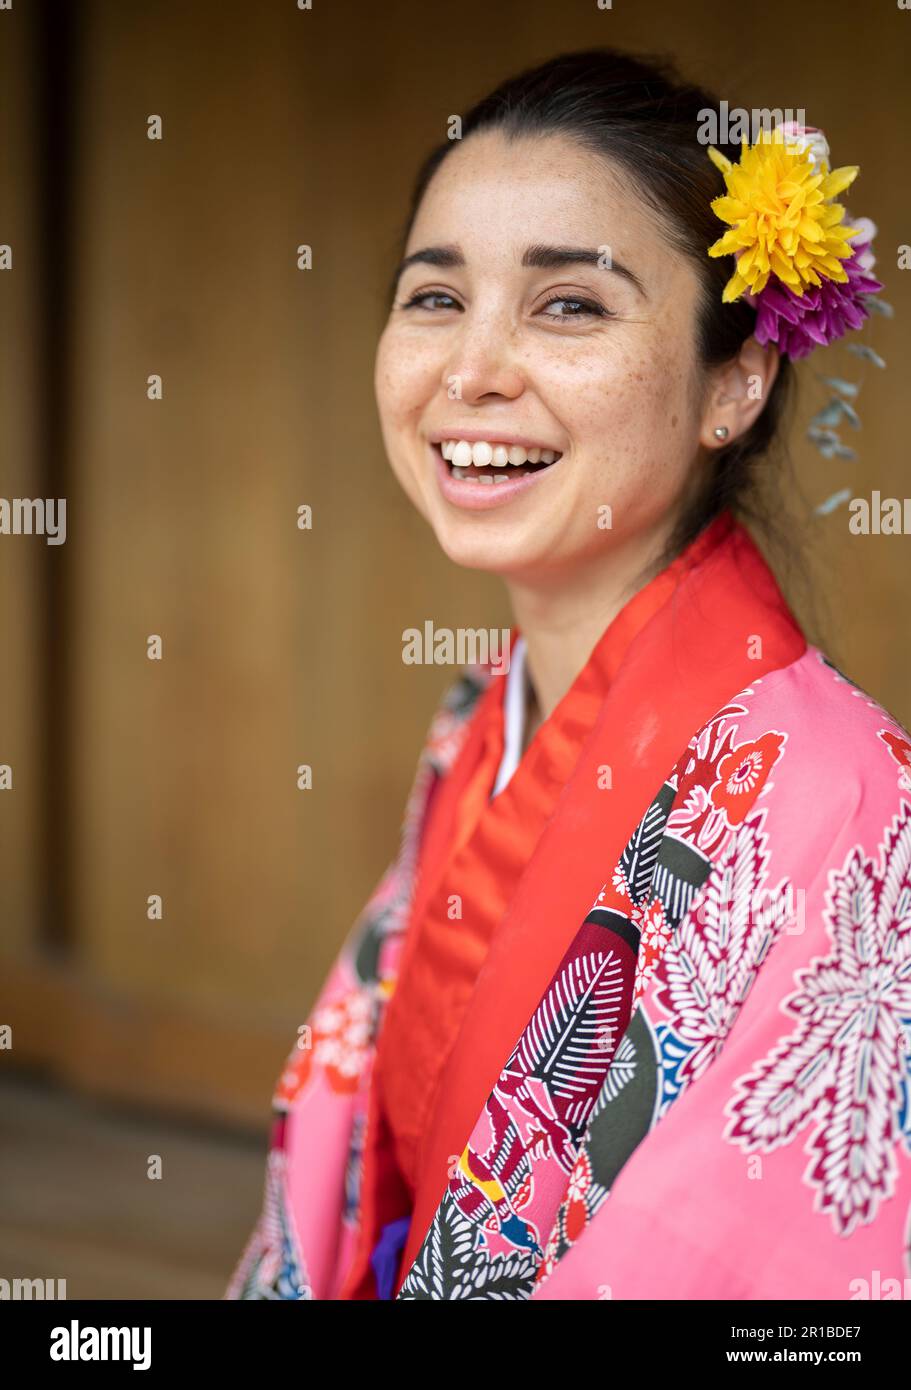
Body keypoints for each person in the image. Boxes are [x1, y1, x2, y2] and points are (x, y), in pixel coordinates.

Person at [227, 49, 910, 1301]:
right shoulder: (476, 719)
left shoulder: (850, 803)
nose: (470, 369)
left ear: (735, 380)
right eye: (434, 298)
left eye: (569, 306)